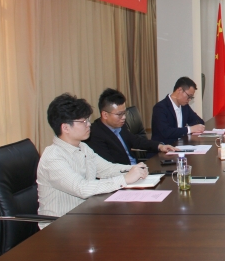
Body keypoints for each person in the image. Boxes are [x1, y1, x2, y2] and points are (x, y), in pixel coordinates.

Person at [37, 93, 148, 228]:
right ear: (65, 127)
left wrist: (134, 169)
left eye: (88, 120)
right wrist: (125, 179)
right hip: (60, 227)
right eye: (83, 121)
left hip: (85, 217)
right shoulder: (53, 158)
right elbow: (82, 188)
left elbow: (107, 169)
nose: (89, 124)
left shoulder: (82, 147)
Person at [86, 88, 175, 164]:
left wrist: (160, 146)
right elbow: (109, 165)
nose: (124, 117)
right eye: (119, 114)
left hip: (137, 169)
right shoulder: (95, 134)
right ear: (105, 115)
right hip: (124, 174)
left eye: (124, 113)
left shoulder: (120, 126)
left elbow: (135, 141)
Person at [151, 76, 205, 142]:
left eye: (191, 97)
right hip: (165, 146)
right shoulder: (160, 107)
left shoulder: (184, 106)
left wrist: (191, 128)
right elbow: (166, 132)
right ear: (179, 90)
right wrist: (189, 129)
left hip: (181, 144)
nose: (189, 99)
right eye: (189, 96)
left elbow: (199, 121)